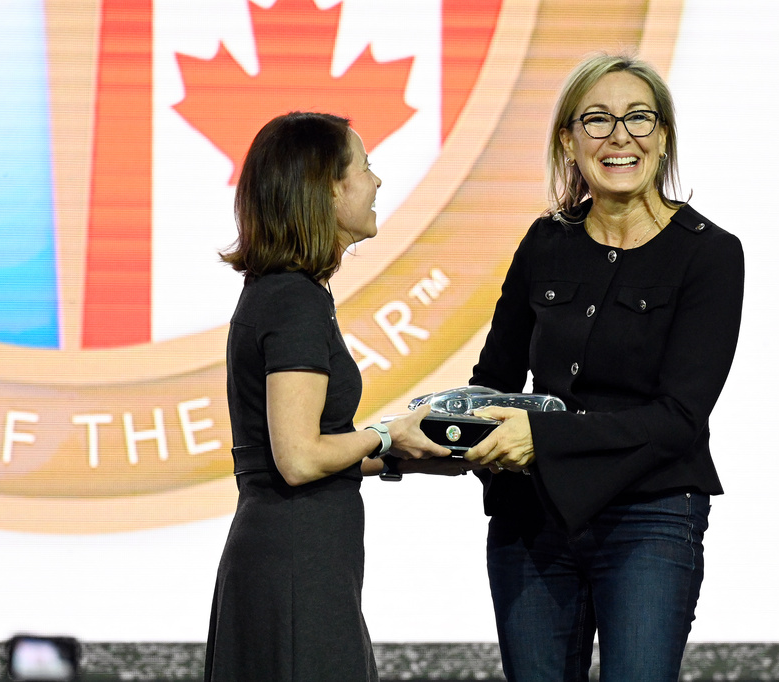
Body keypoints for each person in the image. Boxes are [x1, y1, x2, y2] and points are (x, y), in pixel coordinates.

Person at [463, 54, 745, 681]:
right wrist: (441, 429)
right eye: (596, 120)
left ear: (664, 136)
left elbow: (678, 418)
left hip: (651, 514)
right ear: (568, 140)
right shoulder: (544, 241)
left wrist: (539, 438)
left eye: (639, 118)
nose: (620, 136)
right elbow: (496, 377)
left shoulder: (712, 254)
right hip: (533, 520)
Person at [203, 111, 451, 682]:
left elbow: (296, 453)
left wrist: (401, 456)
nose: (378, 183)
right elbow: (298, 459)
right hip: (297, 566)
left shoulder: (285, 293)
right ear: (327, 189)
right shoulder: (294, 302)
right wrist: (391, 430)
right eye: (365, 167)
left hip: (297, 558)